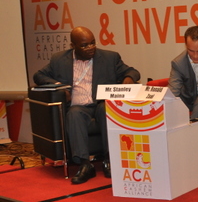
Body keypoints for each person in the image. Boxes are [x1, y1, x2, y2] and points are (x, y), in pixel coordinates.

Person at [33, 27, 140, 184]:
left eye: (93, 43)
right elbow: (39, 76)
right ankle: (85, 164)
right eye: (84, 45)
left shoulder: (110, 57)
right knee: (74, 114)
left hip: (100, 103)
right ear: (73, 46)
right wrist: (59, 86)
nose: (90, 48)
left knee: (107, 109)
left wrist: (128, 79)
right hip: (78, 106)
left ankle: (110, 160)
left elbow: (133, 71)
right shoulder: (59, 60)